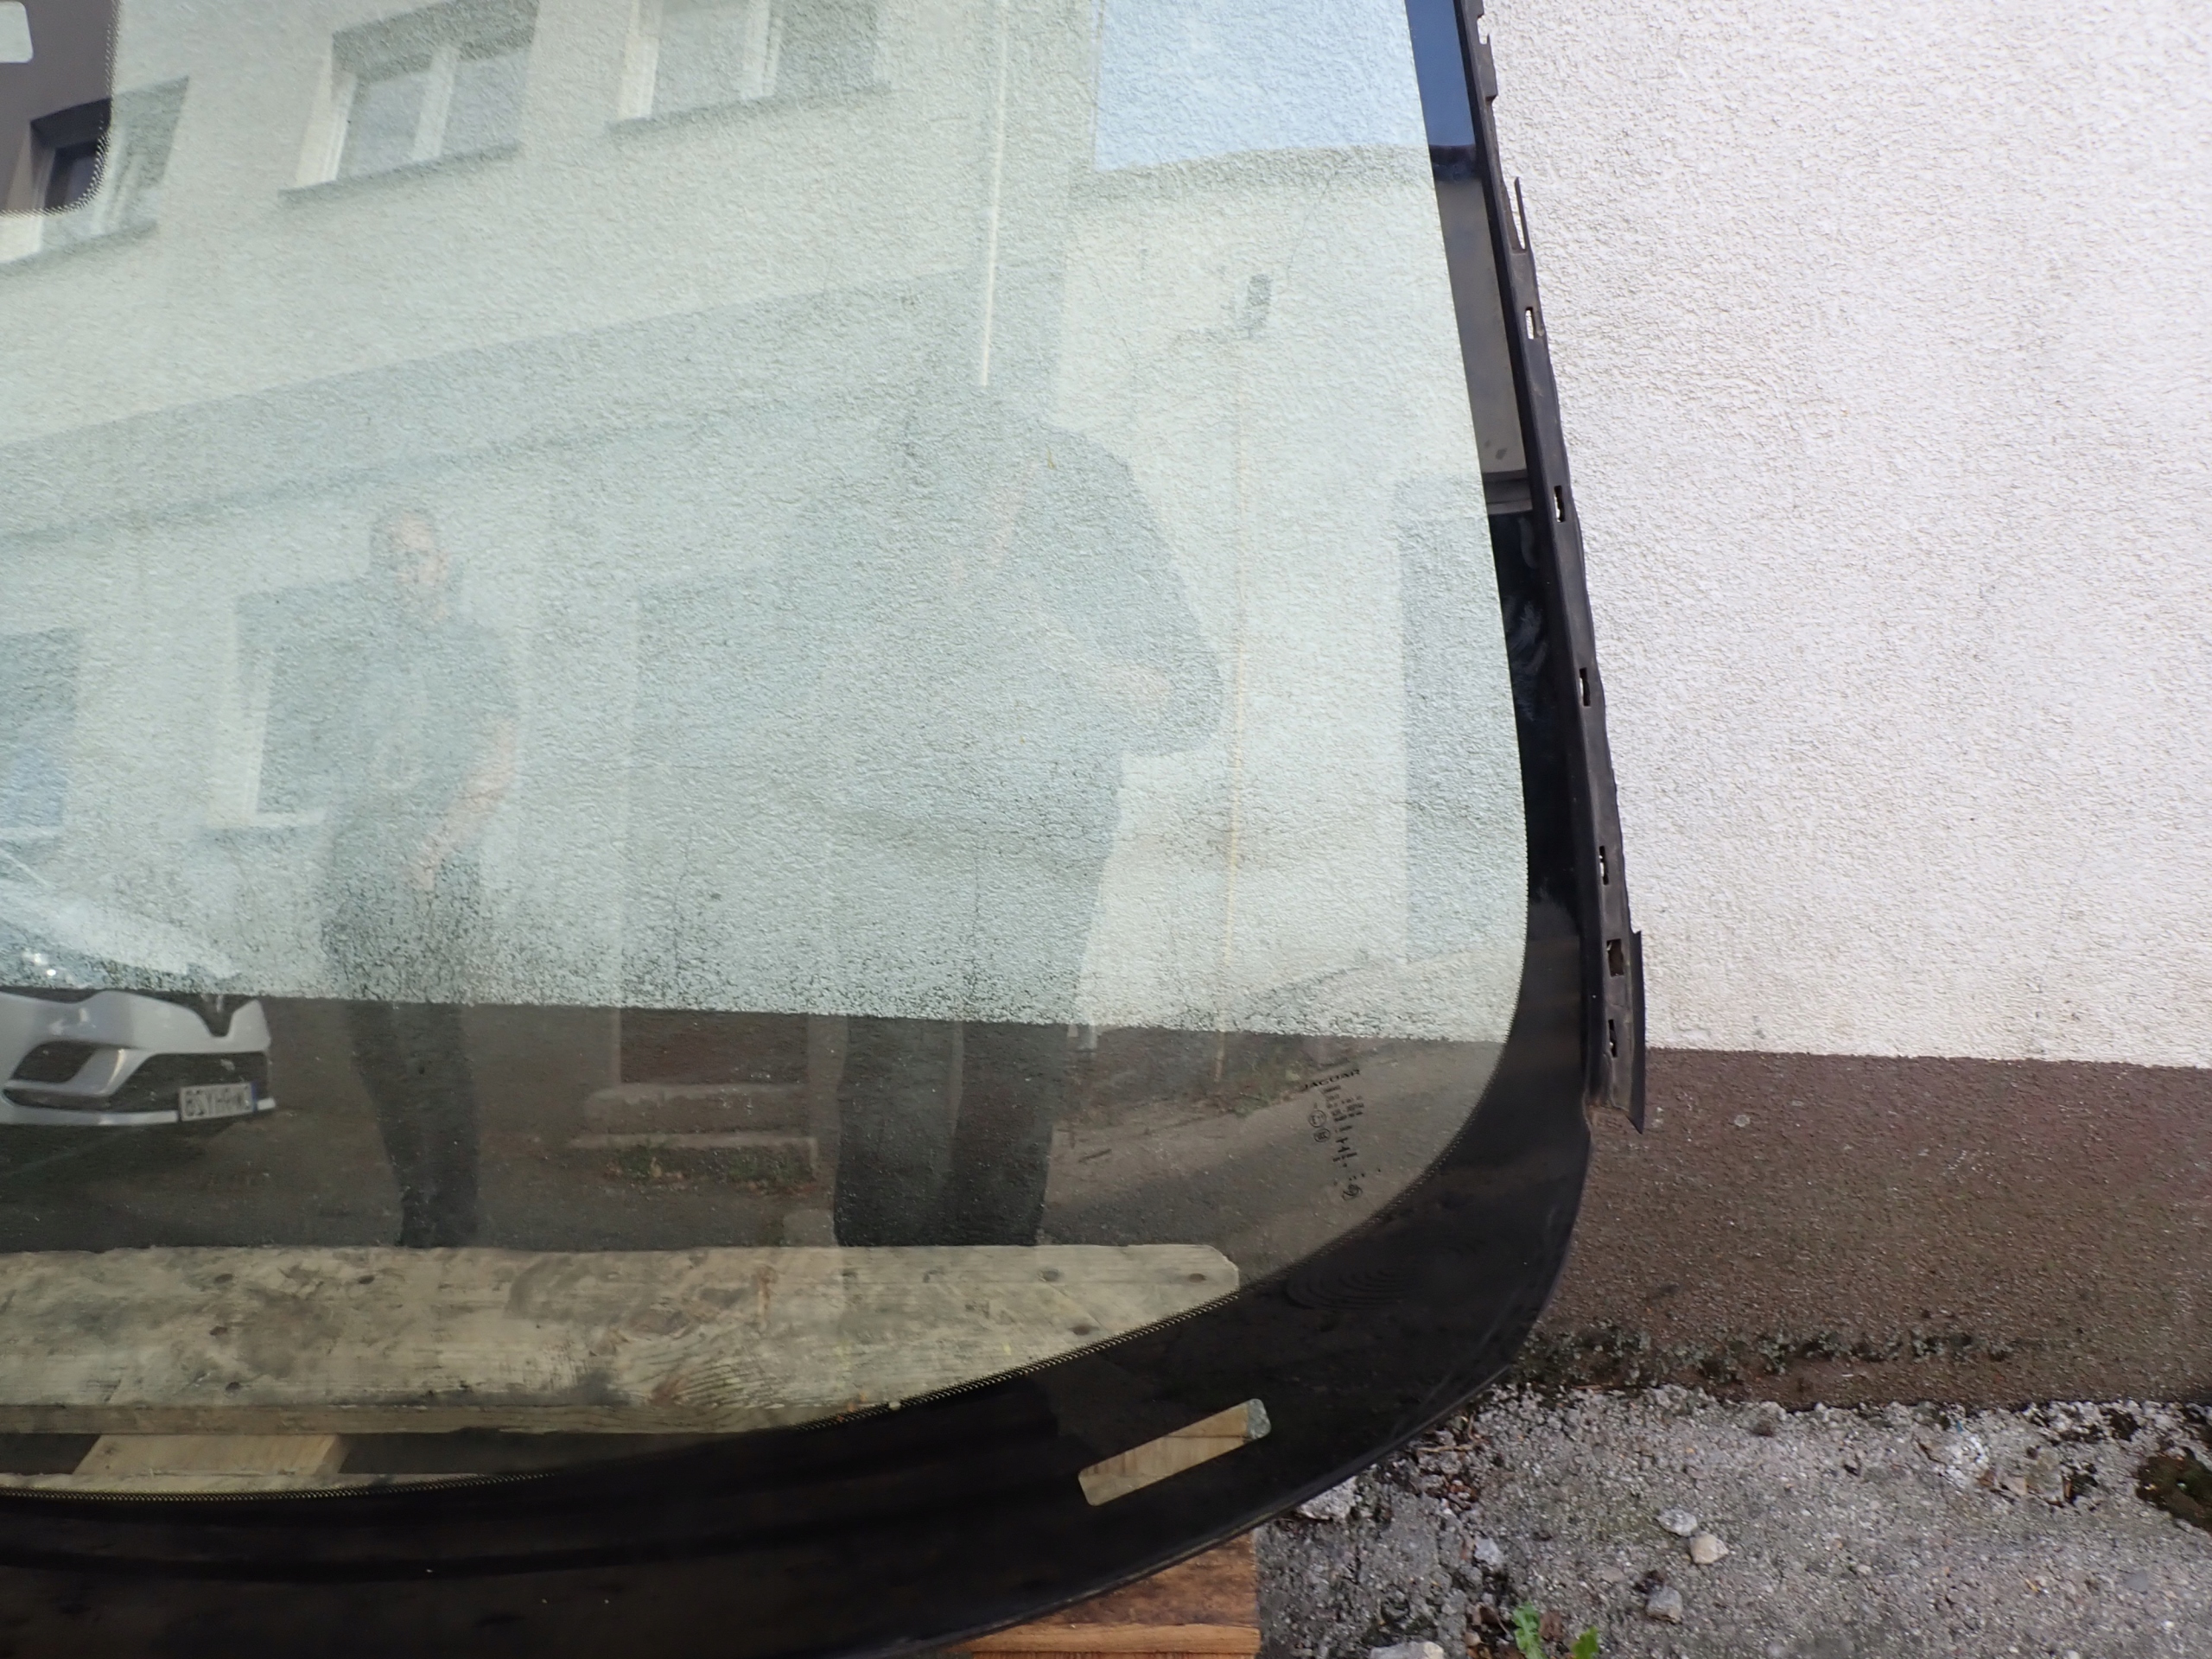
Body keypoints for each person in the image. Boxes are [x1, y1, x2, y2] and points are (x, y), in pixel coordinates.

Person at [767, 386, 1218, 1247]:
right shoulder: (848, 522)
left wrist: (1066, 657)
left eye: (985, 512)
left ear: (1022, 481)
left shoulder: (1094, 519)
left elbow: (1191, 699)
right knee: (895, 1060)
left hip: (1043, 838)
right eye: (929, 514)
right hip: (894, 834)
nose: (962, 543)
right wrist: (859, 667)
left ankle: (992, 1283)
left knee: (1017, 1061)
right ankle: (884, 1287)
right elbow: (774, 705)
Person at [321, 508, 516, 1248]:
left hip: (430, 870)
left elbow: (494, 768)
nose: (403, 573)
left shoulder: (474, 648)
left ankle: (451, 1220)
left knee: (428, 1044)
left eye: (415, 558)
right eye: (389, 561)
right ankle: (416, 1210)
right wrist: (335, 866)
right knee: (375, 1047)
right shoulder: (366, 660)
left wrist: (433, 852)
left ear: (442, 564)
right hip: (358, 869)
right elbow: (347, 774)